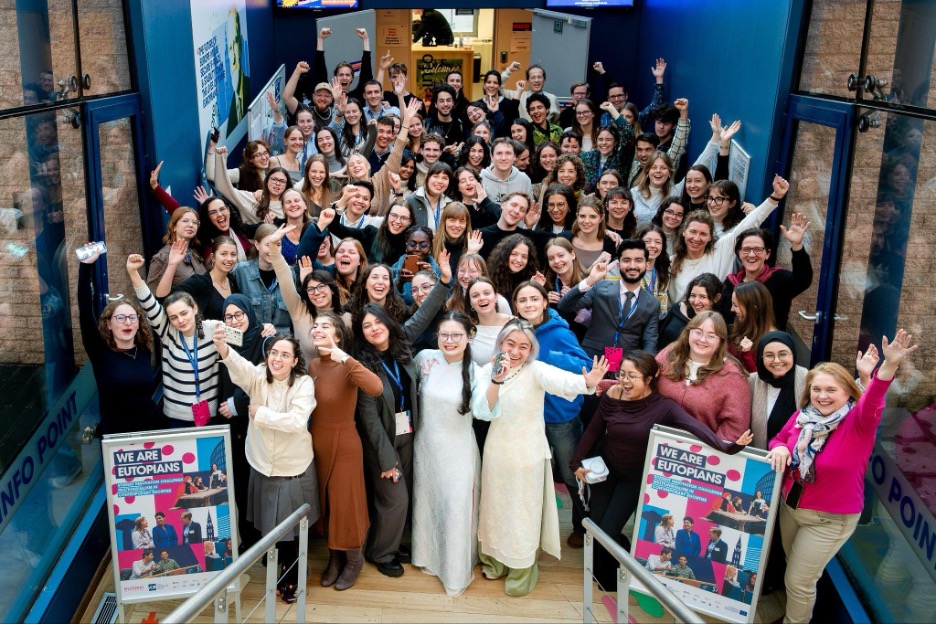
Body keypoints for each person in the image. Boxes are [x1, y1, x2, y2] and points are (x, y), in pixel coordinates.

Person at [766, 330, 916, 624]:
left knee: (799, 582)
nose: (822, 396)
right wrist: (780, 448)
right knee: (793, 567)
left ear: (848, 392)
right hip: (790, 507)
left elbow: (873, 399)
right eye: (817, 389)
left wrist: (888, 367)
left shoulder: (859, 422)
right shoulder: (804, 417)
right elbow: (779, 439)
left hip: (829, 520)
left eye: (831, 390)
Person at [571, 351, 752, 585]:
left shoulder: (664, 407)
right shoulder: (613, 394)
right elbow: (594, 429)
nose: (625, 381)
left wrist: (728, 447)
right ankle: (601, 570)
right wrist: (576, 462)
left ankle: (611, 578)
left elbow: (696, 428)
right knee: (595, 524)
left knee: (608, 529)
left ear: (649, 379)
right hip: (607, 468)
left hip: (633, 478)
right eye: (622, 374)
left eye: (632, 376)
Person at [473, 319, 609, 596]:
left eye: (523, 346)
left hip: (529, 453)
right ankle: (494, 560)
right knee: (495, 506)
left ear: (531, 350)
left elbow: (561, 381)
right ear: (500, 343)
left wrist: (586, 381)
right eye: (510, 344)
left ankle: (521, 568)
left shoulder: (536, 370)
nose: (515, 351)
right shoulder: (486, 371)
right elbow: (482, 411)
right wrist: (496, 380)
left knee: (522, 510)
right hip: (497, 452)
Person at [354, 262, 453, 578]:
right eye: (367, 326)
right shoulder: (362, 365)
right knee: (394, 499)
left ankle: (395, 544)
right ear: (361, 333)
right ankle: (380, 552)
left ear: (387, 322)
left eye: (377, 322)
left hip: (408, 431)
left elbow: (424, 315)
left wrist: (445, 282)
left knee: (407, 494)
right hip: (382, 440)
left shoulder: (402, 342)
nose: (374, 329)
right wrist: (386, 460)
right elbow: (369, 420)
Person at [213, 329, 319, 604]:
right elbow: (241, 367)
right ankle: (281, 559)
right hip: (261, 464)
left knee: (292, 528)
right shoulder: (259, 374)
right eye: (273, 353)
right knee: (269, 522)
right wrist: (223, 347)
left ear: (295, 360)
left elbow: (296, 421)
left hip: (292, 468)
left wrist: (260, 413)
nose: (277, 359)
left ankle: (293, 571)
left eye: (285, 355)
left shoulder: (304, 384)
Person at [412, 311, 490, 596]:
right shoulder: (425, 359)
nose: (450, 340)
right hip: (426, 448)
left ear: (469, 336)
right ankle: (426, 556)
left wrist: (497, 382)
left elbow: (484, 411)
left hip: (458, 451)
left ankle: (455, 571)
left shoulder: (477, 372)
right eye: (444, 334)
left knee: (456, 509)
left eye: (457, 335)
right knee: (427, 502)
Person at [512, 281, 592, 548]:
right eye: (523, 300)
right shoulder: (516, 331)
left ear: (545, 302)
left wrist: (551, 357)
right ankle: (534, 529)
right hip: (528, 415)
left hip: (560, 416)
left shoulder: (559, 332)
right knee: (534, 473)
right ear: (516, 306)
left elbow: (585, 366)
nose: (529, 305)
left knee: (571, 474)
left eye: (534, 299)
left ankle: (583, 526)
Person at [309, 312, 383, 591]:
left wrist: (345, 358)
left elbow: (376, 388)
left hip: (345, 444)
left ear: (338, 336)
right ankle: (335, 557)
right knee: (326, 503)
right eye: (315, 325)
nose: (318, 329)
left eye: (325, 326)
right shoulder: (312, 365)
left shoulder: (349, 364)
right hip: (317, 443)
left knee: (345, 505)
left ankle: (353, 559)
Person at [129, 256, 222, 427]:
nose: (180, 320)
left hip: (209, 417)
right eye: (173, 317)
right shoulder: (168, 331)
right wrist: (133, 272)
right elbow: (148, 303)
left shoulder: (214, 328)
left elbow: (244, 337)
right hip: (176, 419)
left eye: (184, 313)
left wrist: (266, 330)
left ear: (194, 308)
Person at [77, 250, 163, 435]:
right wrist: (86, 266)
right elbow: (85, 309)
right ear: (109, 324)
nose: (127, 323)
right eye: (121, 318)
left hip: (151, 432)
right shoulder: (100, 352)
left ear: (139, 323)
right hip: (116, 437)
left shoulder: (144, 350)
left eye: (132, 318)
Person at [668, 175, 790, 303]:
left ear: (710, 237)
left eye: (703, 234)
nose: (696, 238)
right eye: (693, 232)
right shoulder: (672, 262)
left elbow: (749, 223)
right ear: (684, 232)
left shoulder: (720, 250)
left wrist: (775, 196)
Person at [655, 311, 751, 440]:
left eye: (711, 336)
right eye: (698, 332)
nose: (702, 340)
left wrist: (709, 449)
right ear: (689, 332)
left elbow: (734, 427)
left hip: (701, 447)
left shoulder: (733, 376)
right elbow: (645, 384)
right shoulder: (669, 354)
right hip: (655, 440)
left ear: (720, 342)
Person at [558, 240, 661, 358]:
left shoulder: (653, 303)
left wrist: (646, 366)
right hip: (591, 359)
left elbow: (650, 341)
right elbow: (564, 306)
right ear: (618, 264)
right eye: (626, 260)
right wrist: (590, 280)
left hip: (626, 364)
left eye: (638, 260)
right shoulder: (600, 287)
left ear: (646, 265)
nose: (632, 266)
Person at [718, 214, 813, 331]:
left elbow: (803, 279)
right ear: (739, 253)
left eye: (758, 249)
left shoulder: (778, 278)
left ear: (767, 254)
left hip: (769, 341)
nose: (751, 255)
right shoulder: (730, 283)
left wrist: (796, 245)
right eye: (746, 249)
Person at [145, 207, 206, 291]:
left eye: (195, 222)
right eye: (185, 221)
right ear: (173, 227)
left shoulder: (195, 254)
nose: (191, 225)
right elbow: (152, 293)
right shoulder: (162, 257)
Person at [657, 272, 722, 349]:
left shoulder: (717, 324)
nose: (696, 302)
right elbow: (660, 337)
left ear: (716, 298)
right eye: (693, 296)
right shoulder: (677, 308)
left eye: (702, 297)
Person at [728, 281, 777, 373]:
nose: (732, 309)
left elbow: (761, 379)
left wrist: (746, 355)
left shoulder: (772, 342)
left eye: (735, 305)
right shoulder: (741, 325)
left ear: (754, 309)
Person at [481, 137, 534, 203]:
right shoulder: (481, 179)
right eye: (499, 153)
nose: (503, 158)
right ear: (492, 156)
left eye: (508, 153)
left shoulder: (524, 180)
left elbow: (529, 207)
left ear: (514, 156)